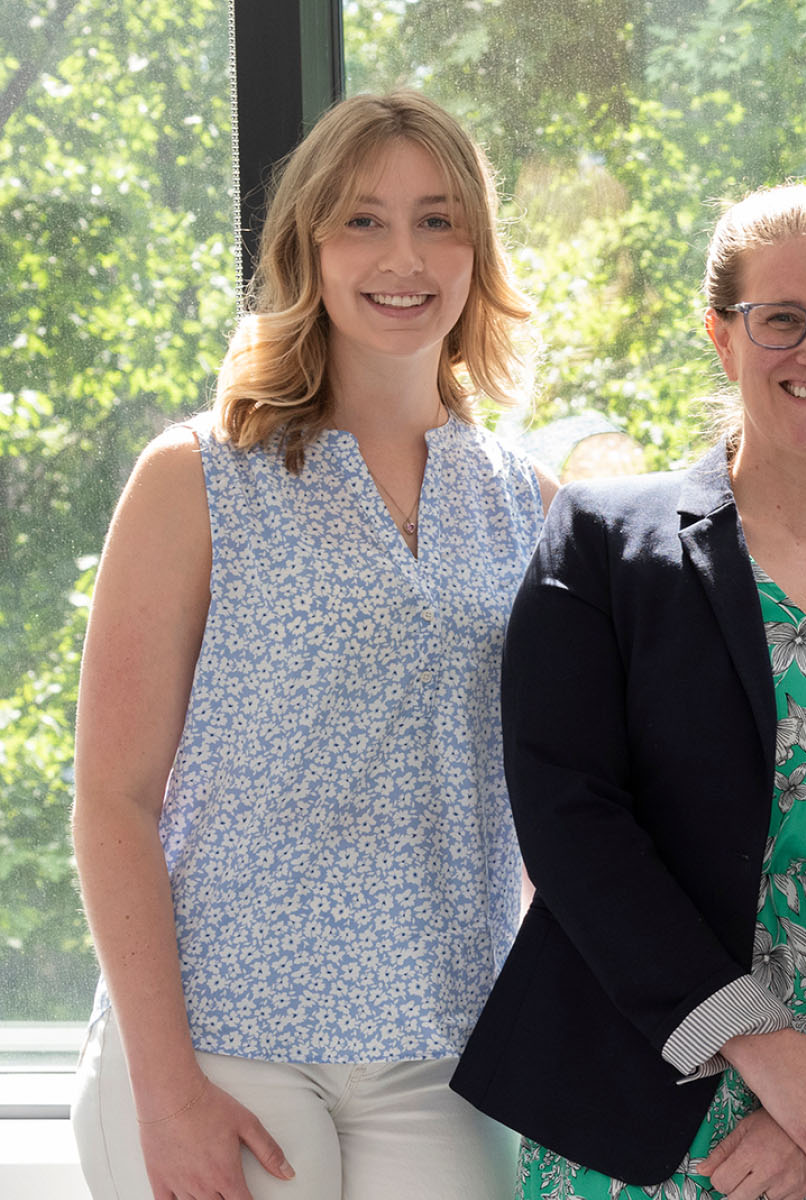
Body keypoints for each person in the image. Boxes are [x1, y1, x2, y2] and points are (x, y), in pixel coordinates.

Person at [450, 183, 806, 1200]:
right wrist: (762, 1053)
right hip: (637, 1105)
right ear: (721, 335)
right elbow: (570, 817)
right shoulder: (599, 545)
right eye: (782, 320)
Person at [70, 90, 554, 1200]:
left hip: (445, 1044)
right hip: (219, 1036)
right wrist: (165, 1087)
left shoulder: (531, 503)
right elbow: (113, 797)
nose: (404, 255)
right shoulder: (194, 477)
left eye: (438, 220)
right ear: (307, 247)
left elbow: (551, 805)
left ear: (479, 250)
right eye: (361, 220)